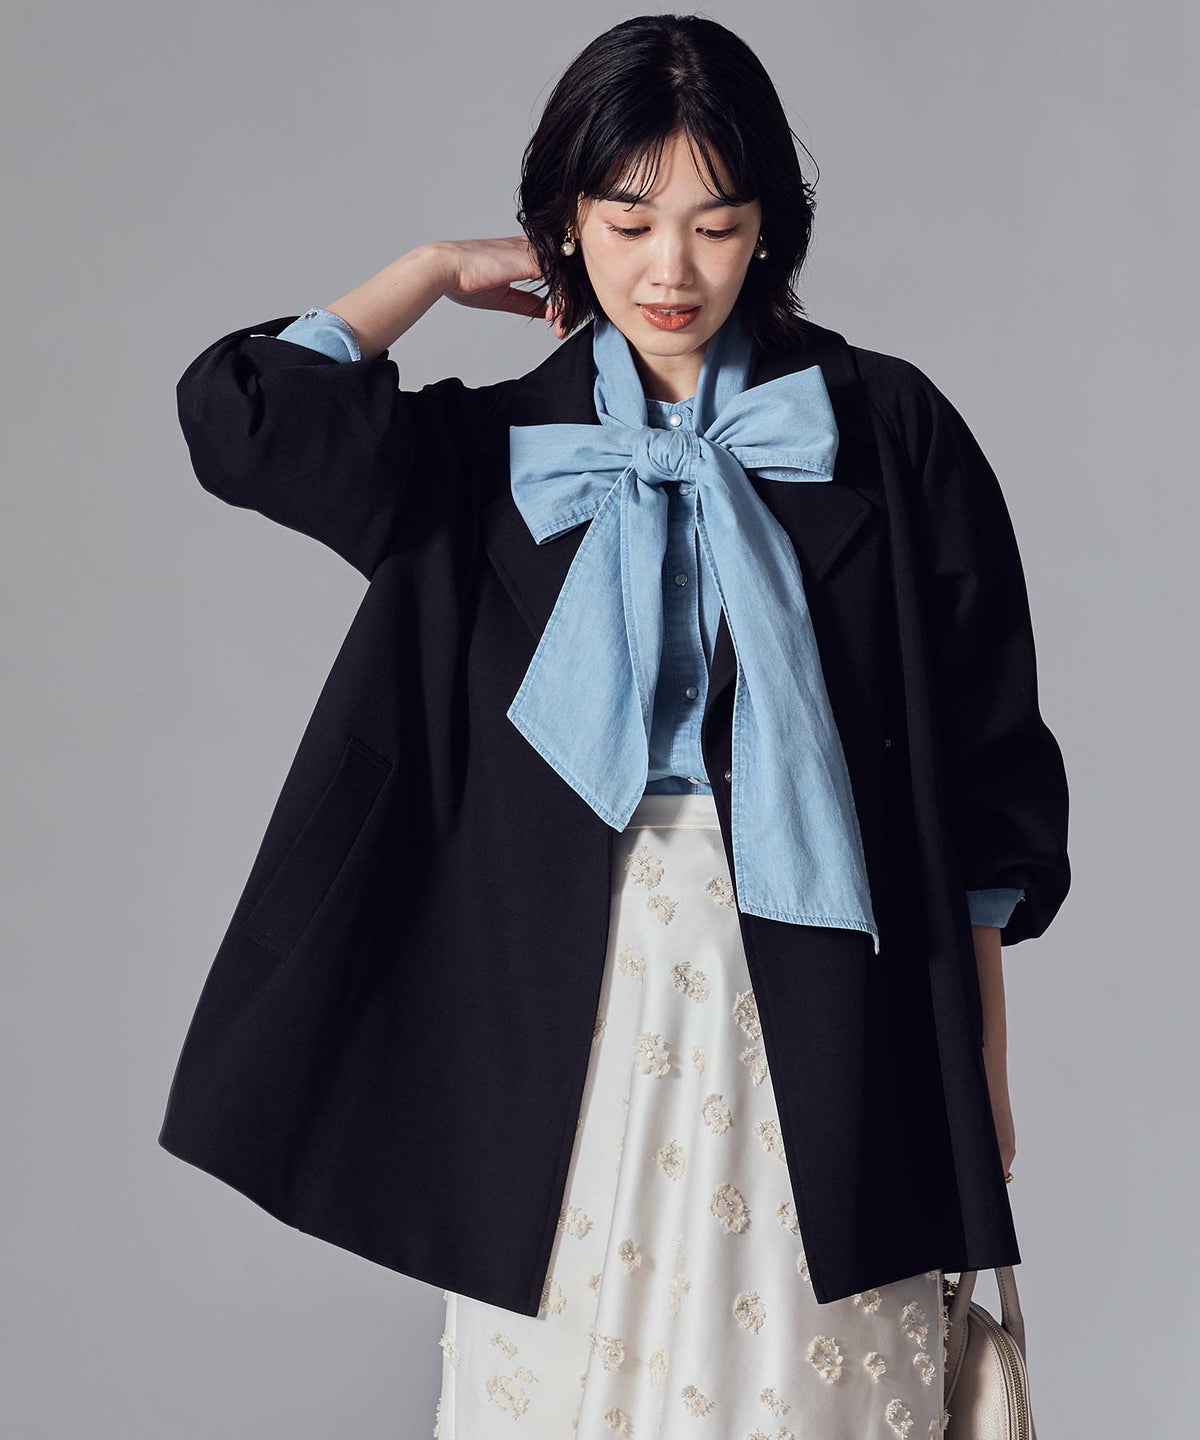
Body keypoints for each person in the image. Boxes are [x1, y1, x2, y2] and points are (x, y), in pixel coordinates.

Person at [163, 15, 1069, 1438]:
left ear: (769, 230)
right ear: (565, 225)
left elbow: (986, 770)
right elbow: (247, 420)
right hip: (555, 996)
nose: (671, 271)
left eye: (717, 225)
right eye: (628, 221)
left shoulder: (887, 432)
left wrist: (983, 1060)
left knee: (806, 1383)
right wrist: (429, 270)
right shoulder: (484, 455)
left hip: (830, 995)